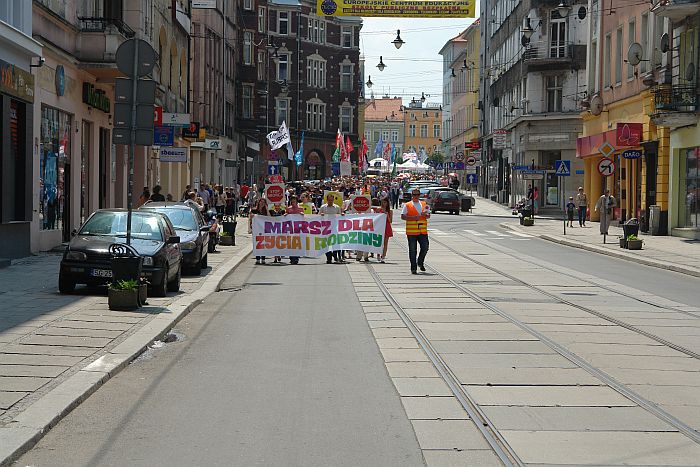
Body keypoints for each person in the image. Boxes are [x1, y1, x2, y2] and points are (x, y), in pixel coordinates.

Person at [401, 188, 430, 274]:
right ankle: (413, 268)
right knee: (412, 250)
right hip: (412, 231)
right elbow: (403, 216)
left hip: (422, 231)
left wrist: (426, 215)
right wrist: (412, 218)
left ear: (419, 195)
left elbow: (428, 216)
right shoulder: (407, 205)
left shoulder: (424, 204)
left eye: (417, 195)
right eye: (414, 195)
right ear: (412, 195)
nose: (416, 196)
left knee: (425, 247)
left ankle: (420, 262)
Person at [319, 192, 343, 264]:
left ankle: (335, 256)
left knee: (335, 242)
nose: (330, 201)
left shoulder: (337, 207)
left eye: (331, 200)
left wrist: (342, 214)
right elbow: (318, 216)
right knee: (327, 243)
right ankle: (329, 258)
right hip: (326, 228)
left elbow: (340, 216)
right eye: (329, 200)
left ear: (333, 200)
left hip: (335, 227)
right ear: (327, 200)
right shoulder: (323, 207)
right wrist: (321, 215)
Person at [286, 195, 304, 264]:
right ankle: (292, 257)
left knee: (297, 243)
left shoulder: (300, 208)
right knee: (291, 243)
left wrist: (302, 214)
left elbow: (304, 218)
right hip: (290, 229)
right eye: (292, 200)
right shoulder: (289, 208)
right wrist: (285, 214)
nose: (293, 201)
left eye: (294, 200)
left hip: (298, 229)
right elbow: (286, 216)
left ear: (296, 201)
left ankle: (296, 257)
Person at [250, 198, 268, 264]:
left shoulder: (265, 211)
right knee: (257, 243)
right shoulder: (254, 210)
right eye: (261, 202)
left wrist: (266, 209)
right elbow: (250, 218)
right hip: (256, 229)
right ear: (258, 202)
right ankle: (257, 258)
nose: (262, 203)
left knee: (264, 244)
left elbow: (269, 217)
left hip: (264, 229)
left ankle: (263, 258)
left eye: (264, 202)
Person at [376, 198, 393, 263]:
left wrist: (387, 214)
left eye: (385, 202)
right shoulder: (378, 209)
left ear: (387, 203)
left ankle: (383, 256)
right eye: (382, 202)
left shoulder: (390, 211)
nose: (383, 204)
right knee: (379, 242)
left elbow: (390, 221)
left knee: (385, 243)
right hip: (380, 227)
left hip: (387, 227)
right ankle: (378, 254)